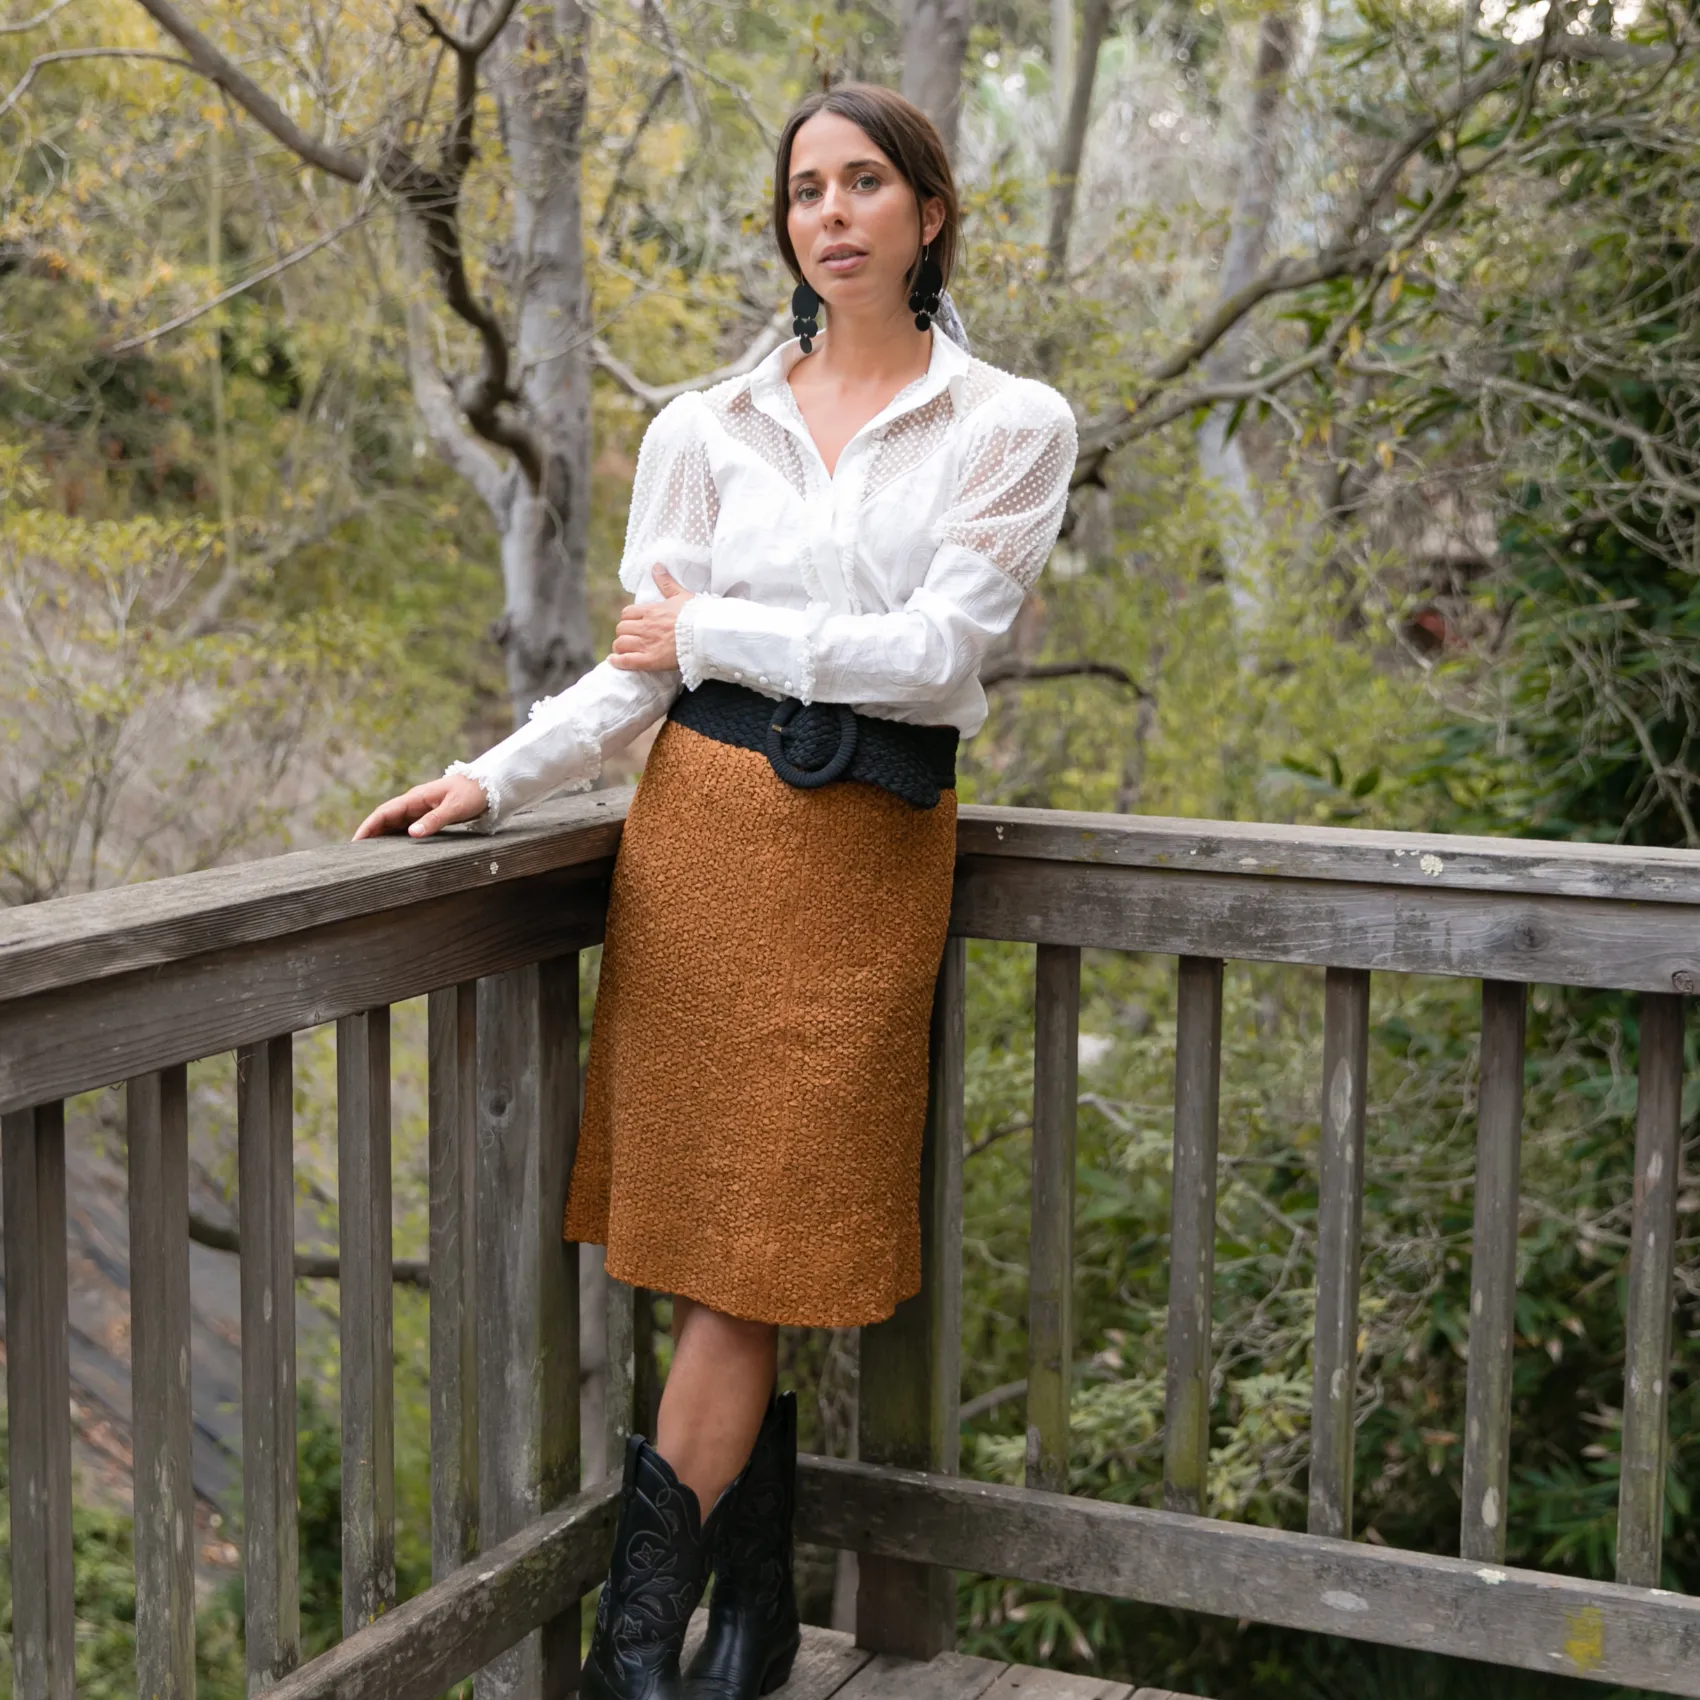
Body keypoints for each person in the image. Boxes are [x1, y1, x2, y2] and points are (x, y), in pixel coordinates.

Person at [354, 81, 1078, 1700]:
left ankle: (631, 1656)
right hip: (697, 851)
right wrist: (493, 777)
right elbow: (630, 681)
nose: (830, 213)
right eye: (806, 188)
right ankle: (741, 1619)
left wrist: (714, 635)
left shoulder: (1012, 425)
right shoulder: (703, 427)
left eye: (866, 183)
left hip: (862, 862)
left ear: (929, 212)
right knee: (708, 1258)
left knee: (768, 1248)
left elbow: (935, 659)